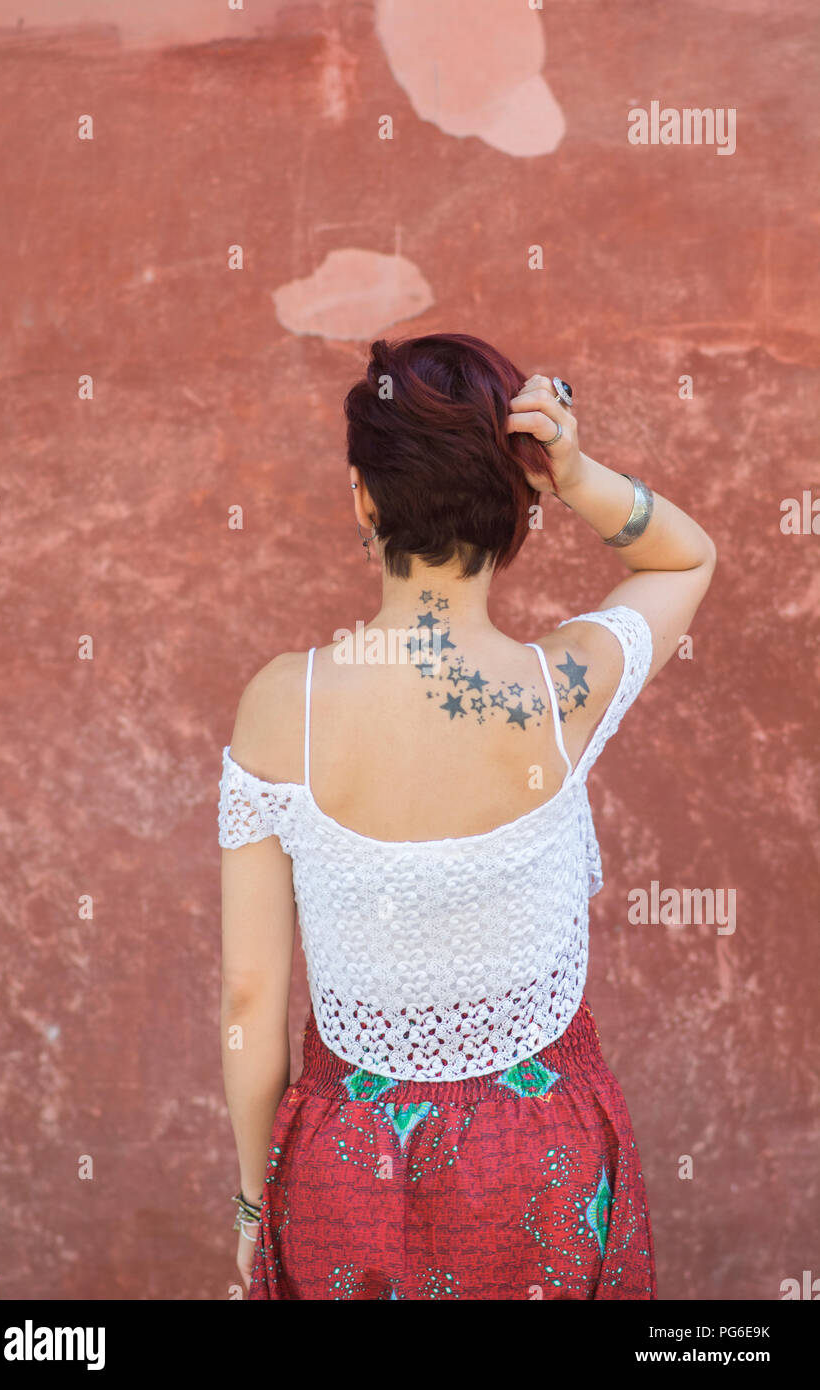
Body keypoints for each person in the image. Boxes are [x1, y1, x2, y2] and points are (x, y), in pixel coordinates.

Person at [218, 333, 716, 1300]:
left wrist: (253, 1204)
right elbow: (685, 558)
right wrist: (573, 473)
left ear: (365, 500)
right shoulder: (565, 683)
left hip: (343, 1171)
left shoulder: (285, 705)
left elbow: (250, 999)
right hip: (543, 1164)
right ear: (520, 503)